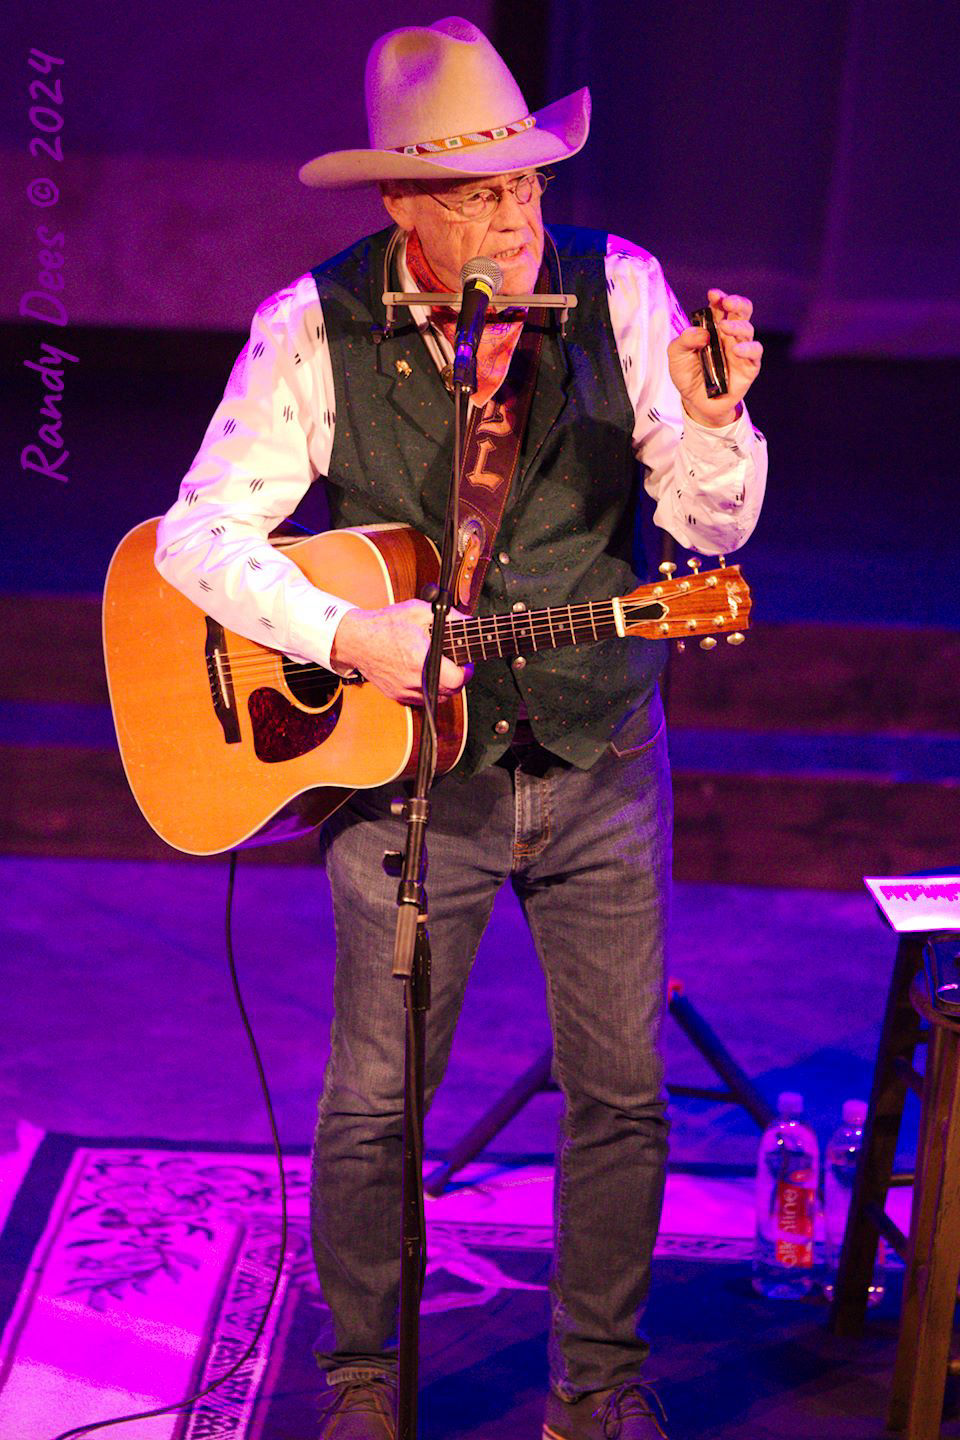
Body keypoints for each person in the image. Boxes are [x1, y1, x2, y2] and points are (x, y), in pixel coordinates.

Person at [155, 16, 767, 1439]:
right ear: (400, 206)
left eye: (532, 182)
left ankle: (597, 1390)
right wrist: (345, 633)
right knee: (376, 1097)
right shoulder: (314, 326)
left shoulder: (619, 290)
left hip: (603, 751)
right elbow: (195, 539)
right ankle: (365, 1377)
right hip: (408, 778)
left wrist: (718, 425)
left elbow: (704, 524)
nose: (520, 213)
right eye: (483, 190)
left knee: (622, 1093)